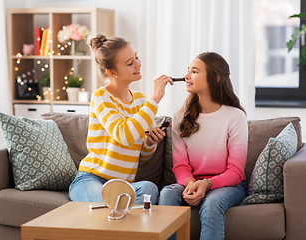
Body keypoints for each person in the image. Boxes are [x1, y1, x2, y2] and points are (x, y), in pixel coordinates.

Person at [69, 34, 173, 205]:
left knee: (149, 189)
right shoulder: (101, 97)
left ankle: (121, 212)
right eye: (129, 63)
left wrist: (149, 142)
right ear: (112, 72)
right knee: (103, 208)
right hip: (92, 179)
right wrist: (155, 99)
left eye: (136, 58)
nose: (138, 64)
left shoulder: (140, 101)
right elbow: (124, 135)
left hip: (122, 185)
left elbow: (142, 156)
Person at [158, 52, 248, 240]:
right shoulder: (180, 117)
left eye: (195, 71)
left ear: (215, 78)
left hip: (228, 185)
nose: (187, 76)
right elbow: (180, 166)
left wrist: (207, 184)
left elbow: (236, 171)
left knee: (212, 202)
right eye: (188, 71)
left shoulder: (235, 117)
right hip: (192, 182)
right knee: (167, 194)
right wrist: (191, 184)